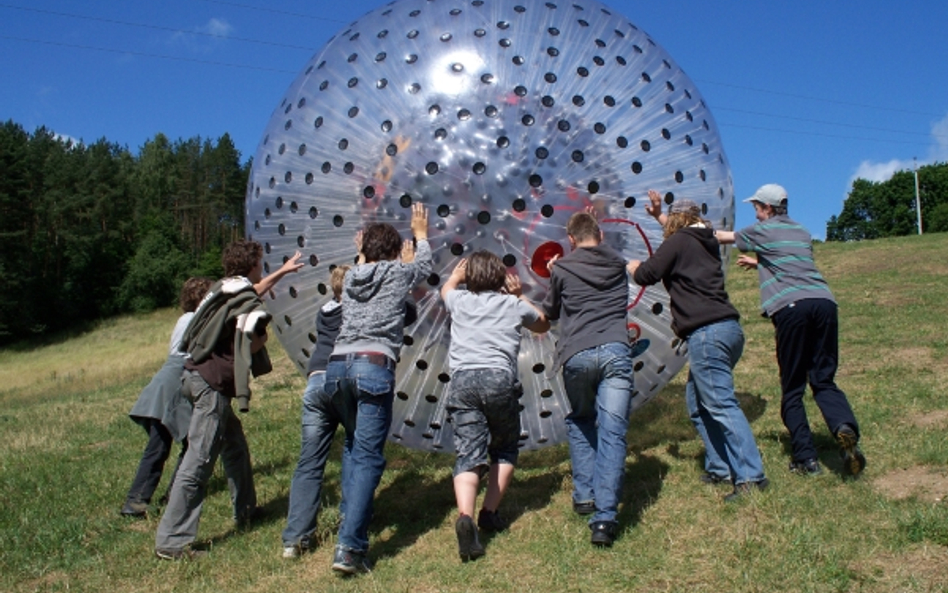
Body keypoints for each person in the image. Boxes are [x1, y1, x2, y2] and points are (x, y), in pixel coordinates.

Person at [153, 242, 302, 560]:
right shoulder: (239, 295)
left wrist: (283, 271)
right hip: (211, 385)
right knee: (199, 461)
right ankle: (172, 541)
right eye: (260, 263)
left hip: (195, 377)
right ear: (251, 264)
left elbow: (254, 290)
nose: (262, 268)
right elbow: (249, 336)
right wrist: (262, 336)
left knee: (234, 447)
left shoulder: (225, 287)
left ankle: (246, 511)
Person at [715, 183, 866, 477]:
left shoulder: (762, 230)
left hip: (792, 308)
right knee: (823, 379)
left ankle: (806, 458)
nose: (756, 214)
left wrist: (691, 229)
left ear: (769, 209)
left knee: (793, 386)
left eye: (757, 208)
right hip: (824, 303)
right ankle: (843, 427)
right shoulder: (801, 231)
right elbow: (792, 262)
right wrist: (759, 261)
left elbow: (724, 237)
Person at [629, 191, 768, 502]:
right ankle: (720, 466)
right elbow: (682, 237)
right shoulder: (703, 241)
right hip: (728, 331)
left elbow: (647, 274)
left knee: (719, 403)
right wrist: (657, 216)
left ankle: (750, 476)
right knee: (697, 403)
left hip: (707, 333)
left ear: (677, 221)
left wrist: (632, 265)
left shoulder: (680, 241)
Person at [322, 203, 431, 575]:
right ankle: (350, 548)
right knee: (368, 454)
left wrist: (364, 251)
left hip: (336, 368)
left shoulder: (352, 275)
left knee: (354, 446)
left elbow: (365, 265)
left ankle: (349, 518)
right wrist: (421, 235)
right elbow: (424, 267)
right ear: (393, 250)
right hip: (372, 365)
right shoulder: (397, 273)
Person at [440, 252, 550, 562]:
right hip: (499, 380)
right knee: (504, 448)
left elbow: (444, 291)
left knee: (468, 453)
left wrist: (454, 277)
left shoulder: (459, 301)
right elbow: (543, 325)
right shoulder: (512, 305)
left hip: (463, 381)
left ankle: (465, 515)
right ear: (501, 278)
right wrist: (520, 296)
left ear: (470, 278)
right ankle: (489, 512)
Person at [540, 211, 634, 547]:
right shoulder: (617, 262)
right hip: (615, 350)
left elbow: (550, 312)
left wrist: (554, 274)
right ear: (601, 235)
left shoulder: (563, 267)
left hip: (576, 354)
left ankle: (584, 495)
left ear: (570, 240)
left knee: (581, 419)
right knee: (613, 431)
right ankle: (605, 519)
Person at [121, 276, 213, 518]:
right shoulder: (194, 319)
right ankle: (139, 501)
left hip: (169, 382)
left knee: (170, 444)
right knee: (168, 445)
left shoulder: (185, 318)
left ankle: (164, 494)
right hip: (173, 384)